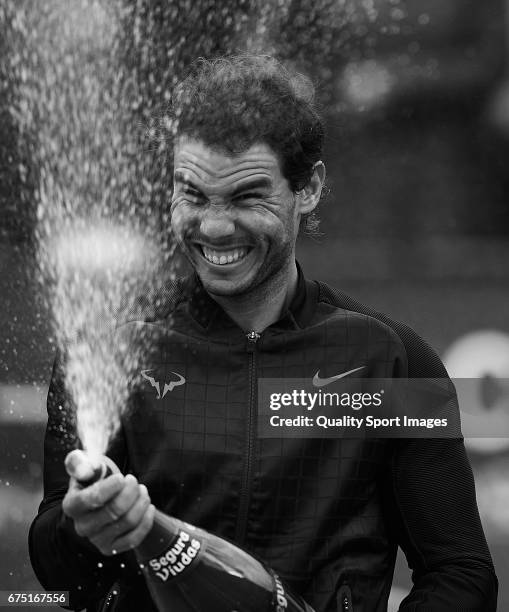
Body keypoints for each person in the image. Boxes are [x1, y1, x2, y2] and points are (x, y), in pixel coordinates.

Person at [29, 55, 498, 611]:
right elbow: (56, 571)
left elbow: (461, 574)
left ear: (309, 188)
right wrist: (84, 530)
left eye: (247, 196)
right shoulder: (109, 352)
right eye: (193, 194)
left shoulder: (389, 356)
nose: (215, 226)